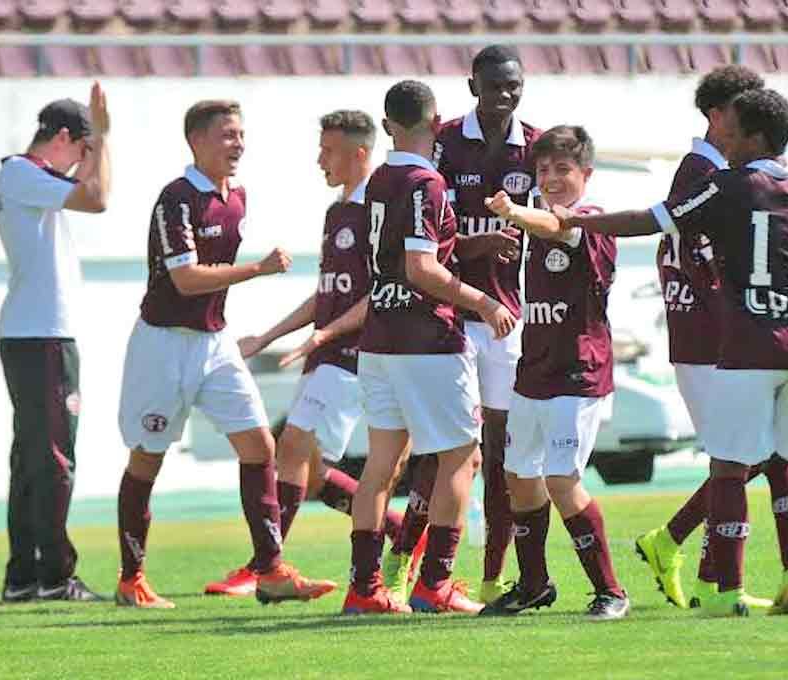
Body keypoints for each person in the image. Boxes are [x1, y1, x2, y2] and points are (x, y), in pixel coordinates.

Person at [548, 89, 788, 617]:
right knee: (783, 459)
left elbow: (650, 220)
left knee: (729, 467)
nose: (720, 138)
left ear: (752, 135)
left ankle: (724, 592)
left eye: (728, 129)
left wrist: (574, 221)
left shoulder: (728, 185)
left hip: (751, 343)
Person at [114, 99, 336, 609]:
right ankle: (132, 578)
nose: (238, 144)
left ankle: (271, 569)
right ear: (196, 141)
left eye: (240, 134)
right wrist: (257, 270)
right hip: (162, 343)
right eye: (227, 135)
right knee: (147, 458)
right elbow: (186, 279)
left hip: (214, 343)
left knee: (260, 447)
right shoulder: (176, 198)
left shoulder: (236, 197)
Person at [341, 80, 516, 615]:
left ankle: (365, 589)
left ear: (388, 122)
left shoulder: (377, 181)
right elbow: (421, 268)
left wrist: (469, 244)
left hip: (380, 340)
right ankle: (434, 584)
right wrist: (483, 302)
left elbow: (405, 254)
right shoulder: (427, 181)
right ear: (436, 120)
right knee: (463, 456)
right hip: (427, 339)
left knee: (380, 465)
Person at [384, 44, 540, 606]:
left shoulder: (538, 146)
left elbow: (550, 227)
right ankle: (403, 561)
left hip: (507, 319)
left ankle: (494, 574)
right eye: (494, 85)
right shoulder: (443, 141)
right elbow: (429, 239)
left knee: (500, 452)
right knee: (447, 454)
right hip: (450, 316)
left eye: (513, 85)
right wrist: (481, 241)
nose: (505, 94)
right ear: (473, 86)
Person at [236, 110, 409, 566]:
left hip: (353, 354)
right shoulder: (337, 212)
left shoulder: (380, 211)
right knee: (312, 473)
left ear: (359, 153)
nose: (319, 160)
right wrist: (268, 336)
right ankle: (403, 534)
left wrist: (326, 335)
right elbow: (328, 293)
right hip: (326, 351)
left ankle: (265, 564)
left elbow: (381, 293)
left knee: (291, 446)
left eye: (327, 151)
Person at [633, 65, 772, 613]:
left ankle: (692, 556)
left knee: (743, 456)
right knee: (743, 457)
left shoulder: (710, 168)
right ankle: (700, 565)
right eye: (746, 115)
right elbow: (692, 252)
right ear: (719, 117)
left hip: (707, 335)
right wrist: (733, 316)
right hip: (706, 338)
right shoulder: (703, 171)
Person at [481, 126, 630, 621]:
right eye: (542, 170)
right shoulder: (534, 225)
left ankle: (611, 591)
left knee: (561, 478)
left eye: (562, 169)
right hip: (536, 370)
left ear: (586, 173)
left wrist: (513, 211)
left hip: (578, 373)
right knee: (519, 478)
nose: (551, 178)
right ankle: (533, 584)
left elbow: (558, 225)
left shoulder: (589, 219)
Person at [0, 83, 111, 603]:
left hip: (33, 332)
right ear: (64, 138)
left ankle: (24, 575)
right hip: (41, 334)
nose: (86, 161)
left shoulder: (26, 178)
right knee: (54, 458)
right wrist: (103, 140)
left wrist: (97, 146)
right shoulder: (22, 172)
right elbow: (98, 198)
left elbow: (87, 191)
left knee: (33, 458)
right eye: (82, 150)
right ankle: (55, 574)